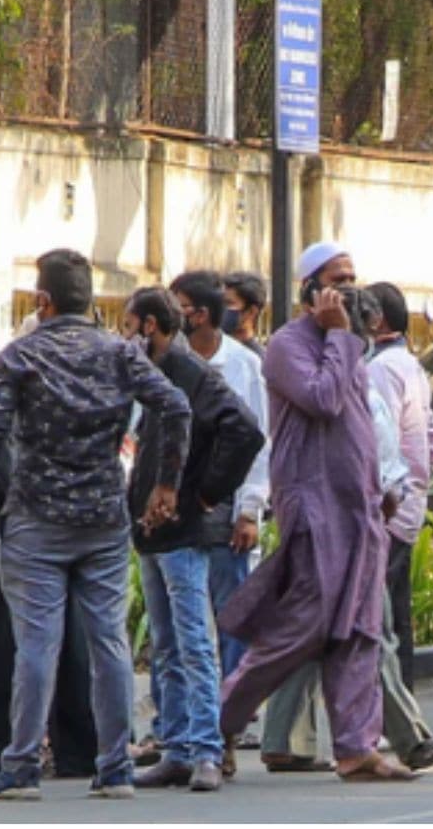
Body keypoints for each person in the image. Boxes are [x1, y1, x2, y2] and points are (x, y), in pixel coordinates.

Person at [0, 249, 194, 801]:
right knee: (109, 642)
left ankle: (20, 764)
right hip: (103, 519)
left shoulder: (21, 355)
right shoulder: (120, 352)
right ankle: (114, 765)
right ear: (90, 300)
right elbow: (176, 405)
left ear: (43, 301)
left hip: (37, 519)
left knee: (37, 645)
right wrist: (166, 484)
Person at [217, 242, 413, 782]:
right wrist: (338, 334)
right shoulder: (288, 345)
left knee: (359, 633)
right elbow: (323, 399)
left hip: (360, 509)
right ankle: (213, 728)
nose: (348, 287)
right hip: (315, 511)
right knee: (299, 632)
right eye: (336, 279)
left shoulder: (350, 344)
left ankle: (355, 748)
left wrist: (383, 485)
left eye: (352, 277)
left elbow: (361, 421)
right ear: (309, 290)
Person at [260, 289, 433, 775]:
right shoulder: (346, 372)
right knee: (368, 631)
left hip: (363, 516)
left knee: (321, 628)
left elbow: (399, 443)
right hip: (340, 519)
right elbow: (372, 444)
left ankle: (279, 736)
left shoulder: (372, 372)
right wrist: (392, 496)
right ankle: (405, 739)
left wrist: (396, 497)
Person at [0, 316, 99, 783]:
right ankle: (61, 752)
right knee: (64, 643)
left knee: (31, 644)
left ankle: (19, 752)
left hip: (29, 527)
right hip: (55, 524)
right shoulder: (84, 381)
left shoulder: (22, 372)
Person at [123, 286, 263, 792]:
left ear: (150, 327)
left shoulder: (192, 374)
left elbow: (246, 431)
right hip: (153, 531)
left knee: (194, 641)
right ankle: (178, 747)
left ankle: (205, 748)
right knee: (165, 645)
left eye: (129, 324)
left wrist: (207, 493)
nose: (125, 335)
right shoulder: (152, 375)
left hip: (183, 529)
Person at [169, 271, 270, 686]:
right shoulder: (166, 362)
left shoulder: (245, 365)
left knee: (231, 610)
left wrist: (249, 510)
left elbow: (259, 440)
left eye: (181, 309)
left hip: (226, 506)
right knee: (177, 625)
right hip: (174, 505)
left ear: (201, 314)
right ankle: (176, 719)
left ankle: (233, 706)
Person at [364, 281, 433, 689]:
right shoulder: (410, 365)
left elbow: (381, 440)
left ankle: (386, 715)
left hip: (387, 509)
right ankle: (403, 713)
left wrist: (388, 493)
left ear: (375, 321)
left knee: (380, 620)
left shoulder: (378, 369)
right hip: (406, 507)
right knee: (396, 616)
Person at [222, 271, 268, 358]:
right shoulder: (210, 352)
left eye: (229, 303)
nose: (221, 309)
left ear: (251, 312)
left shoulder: (260, 361)